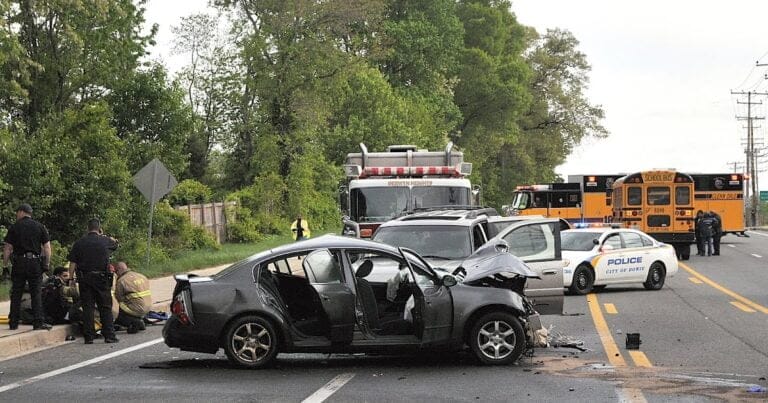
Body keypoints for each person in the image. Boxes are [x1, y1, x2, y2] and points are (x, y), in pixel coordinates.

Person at [67, 218, 119, 344]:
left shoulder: (79, 243)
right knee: (105, 307)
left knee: (88, 308)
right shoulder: (105, 241)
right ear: (99, 228)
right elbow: (116, 243)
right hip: (102, 279)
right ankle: (109, 335)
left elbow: (72, 263)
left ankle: (89, 336)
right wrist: (104, 235)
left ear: (87, 228)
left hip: (85, 279)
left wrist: (71, 278)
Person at [2, 204, 52, 331]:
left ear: (21, 212)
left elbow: (7, 247)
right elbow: (47, 247)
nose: (16, 215)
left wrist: (5, 265)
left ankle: (13, 322)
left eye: (17, 213)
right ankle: (38, 322)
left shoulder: (14, 227)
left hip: (19, 262)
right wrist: (46, 263)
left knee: (16, 293)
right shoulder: (40, 227)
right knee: (36, 293)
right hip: (35, 263)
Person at [114, 262, 151, 334]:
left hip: (137, 309)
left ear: (119, 270)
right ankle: (140, 321)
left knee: (118, 308)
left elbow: (118, 298)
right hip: (148, 307)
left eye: (116, 272)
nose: (116, 274)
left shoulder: (122, 280)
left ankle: (133, 322)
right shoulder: (141, 276)